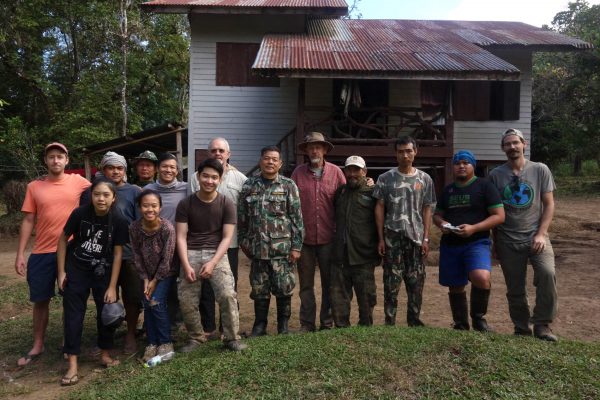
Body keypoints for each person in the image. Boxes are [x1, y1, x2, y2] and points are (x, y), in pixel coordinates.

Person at [14, 142, 90, 367]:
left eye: (60, 157)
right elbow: (28, 220)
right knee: (40, 300)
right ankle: (38, 344)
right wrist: (20, 254)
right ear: (45, 161)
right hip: (42, 252)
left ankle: (70, 343)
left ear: (67, 160)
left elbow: (102, 194)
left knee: (71, 299)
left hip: (72, 251)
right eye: (51, 157)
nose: (56, 160)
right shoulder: (34, 187)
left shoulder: (80, 182)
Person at [57, 179, 129, 385]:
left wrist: (113, 286)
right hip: (77, 268)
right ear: (91, 195)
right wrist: (61, 272)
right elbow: (62, 239)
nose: (101, 198)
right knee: (73, 316)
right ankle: (72, 364)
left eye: (106, 195)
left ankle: (105, 353)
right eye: (97, 194)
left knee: (106, 312)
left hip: (103, 271)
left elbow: (117, 254)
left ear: (113, 198)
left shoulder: (119, 220)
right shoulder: (79, 213)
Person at [489, 128, 559, 341]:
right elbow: (493, 209)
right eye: (507, 144)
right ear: (503, 148)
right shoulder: (495, 175)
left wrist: (541, 233)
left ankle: (542, 325)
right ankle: (521, 328)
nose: (512, 147)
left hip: (537, 236)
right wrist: (495, 242)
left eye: (515, 143)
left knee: (547, 274)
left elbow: (549, 204)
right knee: (515, 287)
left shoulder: (540, 169)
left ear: (524, 144)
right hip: (507, 239)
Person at [175, 158, 247, 352]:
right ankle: (196, 338)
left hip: (217, 254)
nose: (209, 181)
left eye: (214, 177)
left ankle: (232, 337)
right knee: (187, 299)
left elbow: (227, 238)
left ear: (220, 180)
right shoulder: (185, 204)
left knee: (227, 294)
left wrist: (213, 262)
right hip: (190, 253)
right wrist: (187, 265)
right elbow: (181, 237)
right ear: (198, 177)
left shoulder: (227, 203)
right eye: (205, 176)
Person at [433, 150, 505, 332]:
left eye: (466, 162)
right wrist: (443, 224)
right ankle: (460, 323)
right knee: (455, 285)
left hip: (477, 242)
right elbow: (437, 215)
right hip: (451, 243)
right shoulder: (448, 190)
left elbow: (499, 216)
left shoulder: (484, 186)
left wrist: (474, 228)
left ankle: (479, 319)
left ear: (473, 165)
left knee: (481, 277)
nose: (461, 166)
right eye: (457, 163)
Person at [238, 145, 304, 336]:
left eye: (274, 159)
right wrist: (244, 242)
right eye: (267, 158)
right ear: (261, 161)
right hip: (257, 250)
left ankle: (283, 327)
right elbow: (242, 218)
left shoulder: (288, 185)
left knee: (284, 288)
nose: (270, 162)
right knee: (259, 289)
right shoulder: (249, 186)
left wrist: (296, 247)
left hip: (282, 250)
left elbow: (297, 219)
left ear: (280, 163)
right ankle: (260, 326)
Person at [373, 136, 436, 327]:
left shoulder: (424, 179)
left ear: (415, 152)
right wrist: (381, 238)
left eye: (409, 151)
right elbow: (379, 207)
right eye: (401, 151)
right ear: (396, 154)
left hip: (416, 238)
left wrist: (426, 237)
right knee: (391, 282)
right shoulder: (385, 178)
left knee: (416, 281)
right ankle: (389, 321)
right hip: (393, 236)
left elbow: (427, 208)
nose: (405, 155)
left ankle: (414, 321)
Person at [190, 137, 248, 339]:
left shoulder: (240, 179)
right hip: (201, 243)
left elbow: (244, 211)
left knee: (228, 286)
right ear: (208, 153)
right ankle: (208, 327)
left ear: (228, 154)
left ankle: (228, 329)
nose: (217, 154)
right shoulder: (194, 177)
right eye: (213, 150)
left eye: (221, 150)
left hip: (229, 243)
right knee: (205, 286)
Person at [291, 132, 345, 332]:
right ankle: (307, 323)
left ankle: (327, 322)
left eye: (318, 147)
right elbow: (291, 205)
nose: (314, 150)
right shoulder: (297, 173)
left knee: (329, 284)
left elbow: (346, 199)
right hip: (303, 241)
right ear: (305, 151)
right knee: (305, 285)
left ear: (324, 150)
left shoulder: (336, 173)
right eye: (310, 147)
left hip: (328, 238)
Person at [330, 156, 380, 327]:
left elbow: (382, 219)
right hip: (340, 256)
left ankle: (365, 332)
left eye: (356, 170)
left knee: (366, 300)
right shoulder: (340, 192)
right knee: (339, 300)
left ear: (364, 172)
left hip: (363, 255)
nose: (352, 174)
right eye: (349, 170)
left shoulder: (374, 192)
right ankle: (342, 332)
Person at [100, 151, 142, 353]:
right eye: (111, 167)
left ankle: (131, 334)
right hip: (102, 255)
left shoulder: (134, 191)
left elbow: (140, 222)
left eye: (119, 168)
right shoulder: (95, 190)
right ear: (103, 169)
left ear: (125, 170)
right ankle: (106, 338)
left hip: (128, 254)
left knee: (132, 297)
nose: (115, 171)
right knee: (105, 296)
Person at [130, 189, 177, 362]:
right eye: (145, 206)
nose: (150, 209)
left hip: (165, 273)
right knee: (147, 302)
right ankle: (152, 342)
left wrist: (155, 280)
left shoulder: (167, 228)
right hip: (146, 275)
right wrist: (145, 279)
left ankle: (165, 343)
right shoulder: (134, 228)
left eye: (154, 206)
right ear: (139, 207)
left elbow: (167, 259)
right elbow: (136, 255)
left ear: (160, 207)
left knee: (156, 301)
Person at [145, 153, 188, 332]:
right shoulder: (148, 189)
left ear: (177, 170)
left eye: (172, 167)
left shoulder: (186, 189)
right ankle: (154, 323)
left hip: (179, 244)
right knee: (155, 284)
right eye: (164, 166)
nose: (168, 170)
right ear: (158, 169)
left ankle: (175, 322)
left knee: (176, 285)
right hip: (154, 246)